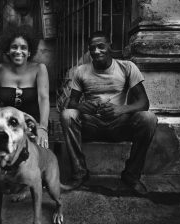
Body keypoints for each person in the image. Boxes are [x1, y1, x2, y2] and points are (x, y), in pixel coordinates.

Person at [60, 31, 158, 194]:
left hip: (119, 125)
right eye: (92, 48)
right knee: (67, 115)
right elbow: (72, 103)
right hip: (92, 125)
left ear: (109, 45)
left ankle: (131, 176)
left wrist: (121, 109)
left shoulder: (127, 67)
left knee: (149, 118)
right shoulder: (81, 71)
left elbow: (144, 103)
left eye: (101, 46)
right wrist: (83, 106)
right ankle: (79, 174)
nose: (96, 51)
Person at [0, 24, 50, 149]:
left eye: (23, 48)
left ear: (29, 52)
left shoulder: (39, 69)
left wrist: (43, 128)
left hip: (33, 124)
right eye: (14, 47)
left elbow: (43, 98)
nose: (18, 51)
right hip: (8, 125)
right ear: (7, 50)